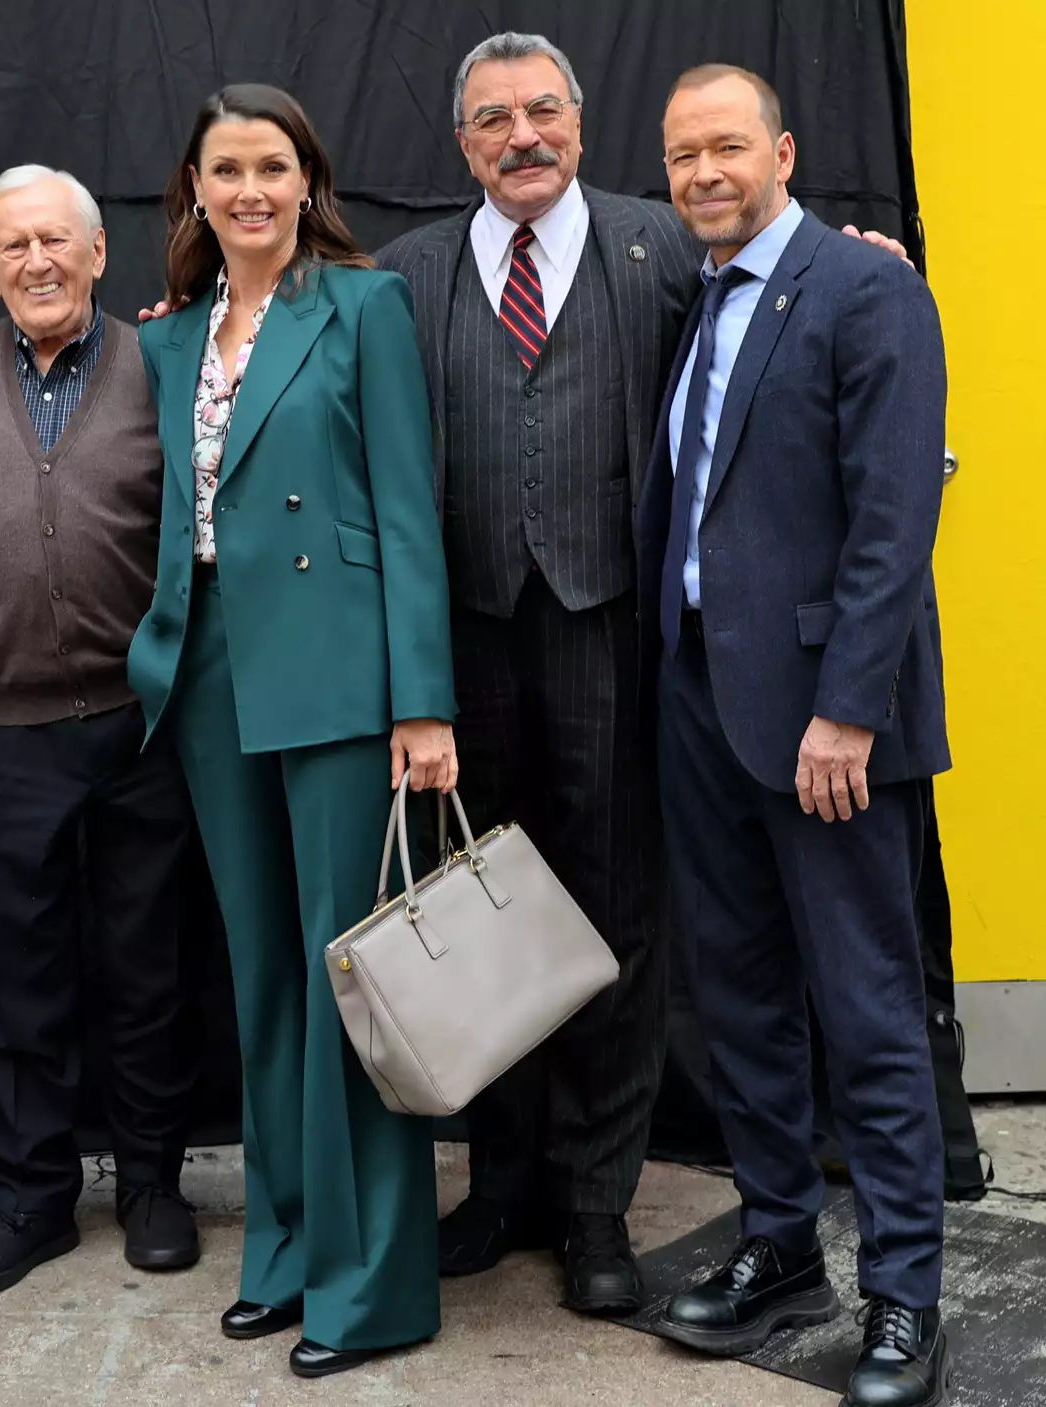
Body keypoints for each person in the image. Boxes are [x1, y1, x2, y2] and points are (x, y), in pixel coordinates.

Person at [372, 31, 917, 1310]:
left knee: (615, 920)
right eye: (495, 119)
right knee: (486, 921)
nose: (523, 136)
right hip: (467, 643)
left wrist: (863, 255)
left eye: (545, 110)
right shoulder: (404, 277)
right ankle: (500, 1184)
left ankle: (596, 1205)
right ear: (464, 144)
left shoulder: (663, 245)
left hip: (620, 636)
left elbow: (782, 285)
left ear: (579, 122)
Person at [131, 84, 457, 1379]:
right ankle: (282, 1253)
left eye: (274, 165)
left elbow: (409, 507)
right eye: (228, 168)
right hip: (209, 671)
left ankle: (369, 1282)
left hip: (336, 673)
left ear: (306, 181)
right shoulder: (167, 339)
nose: (251, 189)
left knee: (350, 982)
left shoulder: (364, 308)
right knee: (263, 977)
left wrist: (420, 700)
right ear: (196, 190)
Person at [642, 66, 951, 1407]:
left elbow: (892, 520)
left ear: (782, 149)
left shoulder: (866, 287)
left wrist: (850, 710)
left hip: (827, 718)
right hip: (701, 700)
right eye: (682, 155)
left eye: (726, 148)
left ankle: (903, 1291)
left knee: (866, 1005)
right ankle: (782, 1243)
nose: (704, 172)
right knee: (743, 1000)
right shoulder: (697, 296)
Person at [0, 166, 200, 1297]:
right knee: (16, 976)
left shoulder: (162, 358)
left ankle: (150, 1183)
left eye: (57, 241)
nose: (37, 262)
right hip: (0, 729)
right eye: (13, 248)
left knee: (149, 967)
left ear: (98, 254)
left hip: (143, 721)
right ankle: (30, 1197)